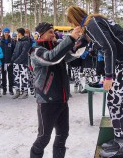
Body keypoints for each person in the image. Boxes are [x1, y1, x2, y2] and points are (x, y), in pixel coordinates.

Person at [66, 6, 123, 158]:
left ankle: (121, 146)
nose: (72, 26)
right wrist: (76, 44)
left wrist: (109, 76)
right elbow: (95, 42)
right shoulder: (92, 23)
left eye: (71, 22)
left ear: (75, 19)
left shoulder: (92, 24)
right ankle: (121, 140)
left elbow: (109, 48)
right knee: (117, 100)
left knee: (114, 100)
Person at [29, 22, 81, 158]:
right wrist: (70, 38)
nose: (54, 34)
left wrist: (84, 39)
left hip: (62, 100)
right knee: (43, 138)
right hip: (46, 101)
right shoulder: (36, 51)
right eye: (50, 32)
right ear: (41, 34)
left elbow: (72, 55)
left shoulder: (57, 47)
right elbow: (51, 58)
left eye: (54, 32)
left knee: (62, 135)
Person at [11, 28, 31, 99]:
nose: (17, 34)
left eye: (18, 33)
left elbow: (24, 54)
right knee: (16, 77)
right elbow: (15, 51)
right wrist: (12, 59)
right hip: (16, 63)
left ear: (20, 33)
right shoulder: (18, 41)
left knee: (24, 78)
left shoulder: (26, 42)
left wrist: (17, 61)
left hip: (23, 63)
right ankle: (17, 91)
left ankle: (25, 92)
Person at [0, 27, 15, 95]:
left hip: (9, 61)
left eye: (8, 32)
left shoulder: (11, 41)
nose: (6, 33)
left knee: (10, 76)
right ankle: (4, 89)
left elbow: (14, 51)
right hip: (3, 62)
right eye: (5, 32)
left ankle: (10, 89)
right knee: (4, 76)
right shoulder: (0, 41)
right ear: (3, 33)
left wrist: (12, 60)